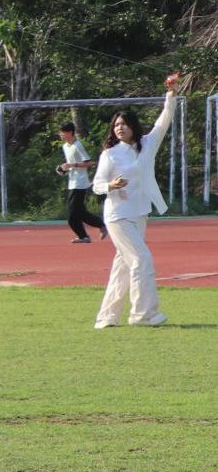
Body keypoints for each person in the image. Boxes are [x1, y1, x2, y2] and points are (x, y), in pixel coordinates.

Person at [91, 76, 180, 329]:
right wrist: (110, 185)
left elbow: (164, 120)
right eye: (116, 125)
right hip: (117, 215)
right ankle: (143, 314)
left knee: (123, 266)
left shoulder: (148, 144)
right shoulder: (110, 154)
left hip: (140, 213)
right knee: (142, 260)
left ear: (133, 126)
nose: (119, 128)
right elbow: (97, 184)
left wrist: (171, 94)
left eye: (124, 124)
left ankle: (107, 317)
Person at [56, 122, 105, 243]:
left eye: (63, 132)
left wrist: (72, 165)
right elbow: (70, 165)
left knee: (72, 214)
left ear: (70, 132)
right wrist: (63, 170)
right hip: (72, 183)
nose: (61, 134)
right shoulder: (65, 146)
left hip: (80, 183)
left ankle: (92, 230)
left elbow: (89, 163)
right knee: (79, 212)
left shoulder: (78, 145)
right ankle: (89, 232)